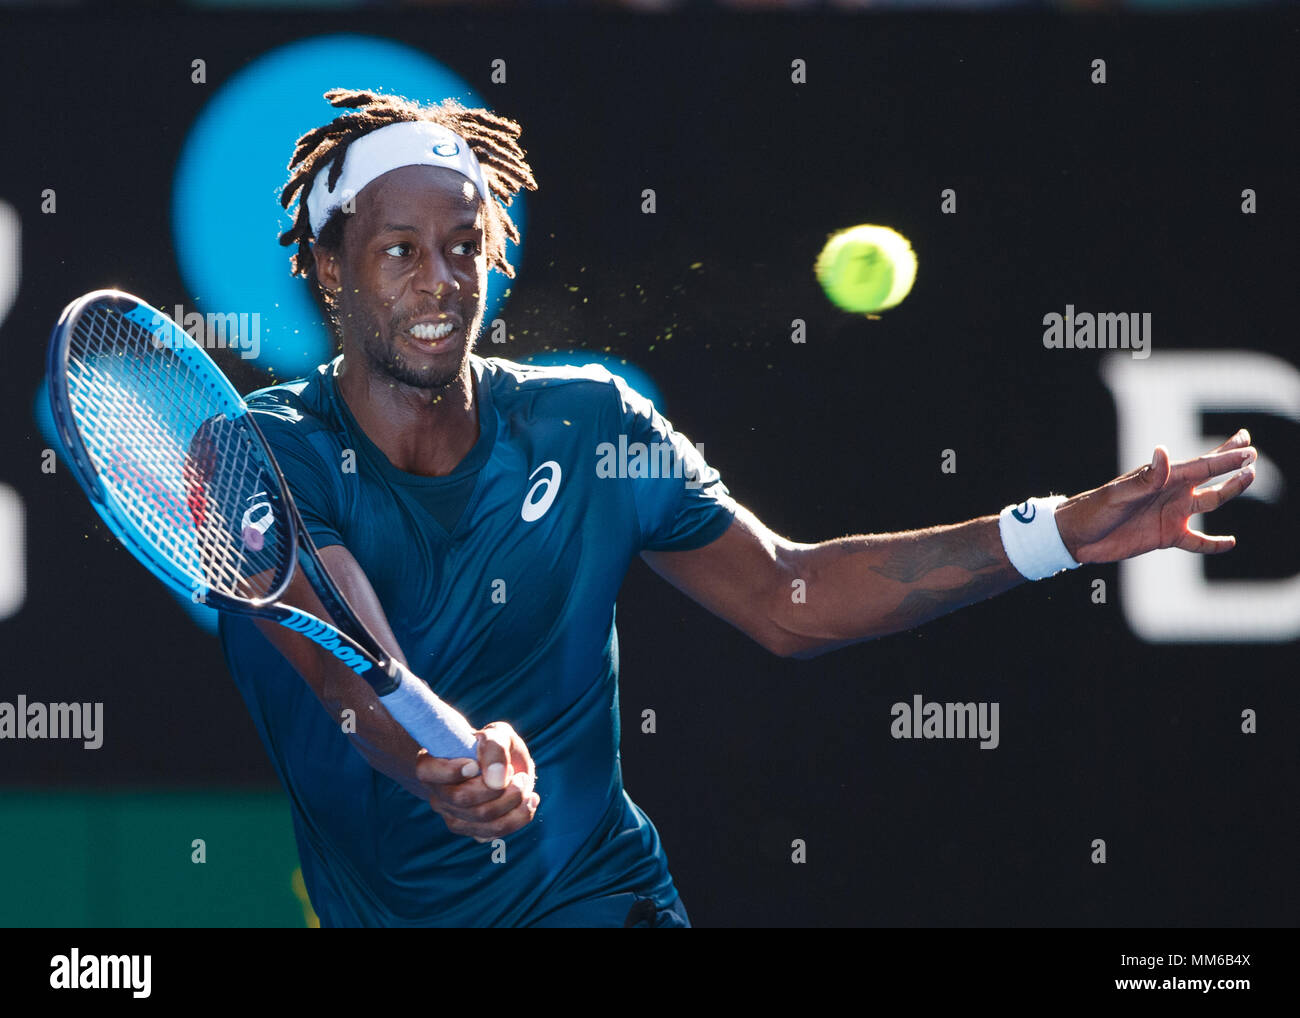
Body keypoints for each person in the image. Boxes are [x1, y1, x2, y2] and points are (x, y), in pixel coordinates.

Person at [220, 88, 1258, 928]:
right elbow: (341, 655)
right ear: (326, 268)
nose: (440, 281)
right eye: (399, 249)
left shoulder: (591, 424)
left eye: (463, 245)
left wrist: (1055, 534)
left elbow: (788, 596)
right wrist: (442, 758)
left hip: (598, 900)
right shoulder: (266, 450)